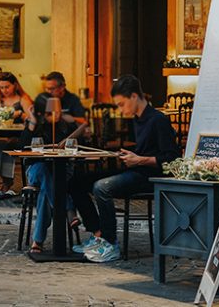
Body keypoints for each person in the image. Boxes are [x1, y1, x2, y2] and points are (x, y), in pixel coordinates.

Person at [69, 74, 180, 262]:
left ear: (134, 96)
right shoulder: (137, 119)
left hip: (151, 176)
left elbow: (172, 159)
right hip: (136, 170)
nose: (121, 110)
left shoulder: (157, 119)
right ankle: (98, 234)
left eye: (121, 104)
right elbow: (142, 150)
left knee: (102, 186)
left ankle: (110, 244)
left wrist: (140, 160)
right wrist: (126, 155)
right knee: (76, 182)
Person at [25, 71, 87, 253]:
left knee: (47, 188)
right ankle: (69, 210)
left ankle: (38, 241)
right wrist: (32, 124)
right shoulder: (35, 125)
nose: (57, 113)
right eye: (53, 111)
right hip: (35, 169)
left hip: (59, 170)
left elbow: (79, 136)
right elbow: (23, 148)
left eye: (59, 110)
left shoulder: (65, 124)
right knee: (44, 172)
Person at [0, 72, 34, 196]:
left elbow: (32, 119)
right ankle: (4, 180)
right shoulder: (0, 100)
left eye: (7, 87)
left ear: (15, 85)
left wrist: (19, 114)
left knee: (6, 145)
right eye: (1, 88)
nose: (4, 90)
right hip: (3, 134)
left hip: (20, 136)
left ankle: (7, 183)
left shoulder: (23, 99)